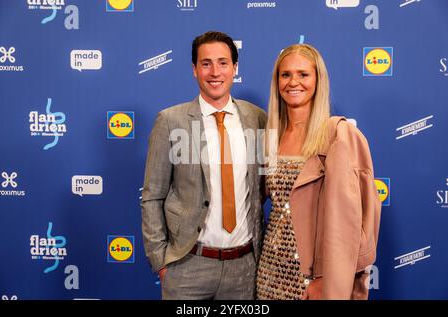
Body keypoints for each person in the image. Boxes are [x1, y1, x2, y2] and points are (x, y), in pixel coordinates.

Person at [141, 31, 267, 300]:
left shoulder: (257, 118)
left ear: (235, 68)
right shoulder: (170, 121)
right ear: (194, 70)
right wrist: (161, 260)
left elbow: (266, 186)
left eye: (223, 63)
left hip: (244, 267)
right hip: (187, 266)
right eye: (205, 63)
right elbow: (152, 196)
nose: (214, 72)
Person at [256, 44, 381, 300]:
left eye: (303, 74)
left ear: (318, 80)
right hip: (269, 270)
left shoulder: (337, 135)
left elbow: (349, 219)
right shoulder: (269, 138)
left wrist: (324, 276)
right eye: (286, 74)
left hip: (313, 275)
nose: (294, 82)